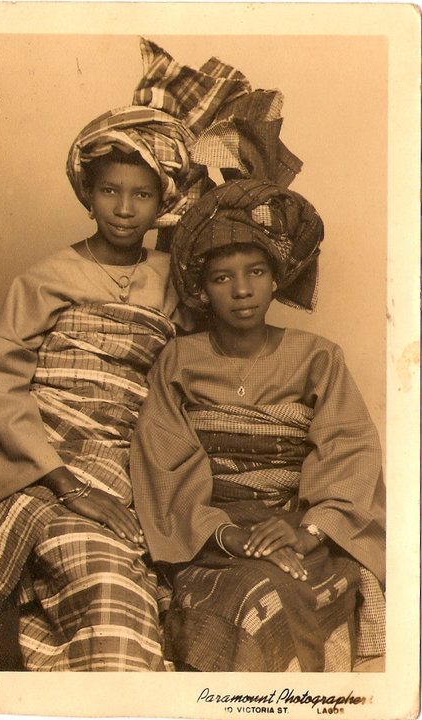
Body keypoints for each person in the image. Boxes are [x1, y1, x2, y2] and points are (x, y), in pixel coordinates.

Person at [0, 37, 306, 671]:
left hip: (139, 469)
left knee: (139, 579)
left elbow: (199, 370)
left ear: (166, 204)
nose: (125, 209)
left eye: (143, 195)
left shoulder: (178, 281)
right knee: (101, 573)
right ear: (88, 192)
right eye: (110, 191)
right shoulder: (44, 278)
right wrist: (66, 485)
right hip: (50, 465)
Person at [130, 178, 386, 672]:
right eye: (221, 278)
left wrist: (307, 532)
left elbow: (350, 451)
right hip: (209, 535)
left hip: (299, 525)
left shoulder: (318, 357)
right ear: (200, 289)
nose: (242, 290)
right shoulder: (179, 359)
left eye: (256, 271)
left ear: (277, 278)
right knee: (251, 594)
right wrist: (227, 536)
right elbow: (161, 463)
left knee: (292, 586)